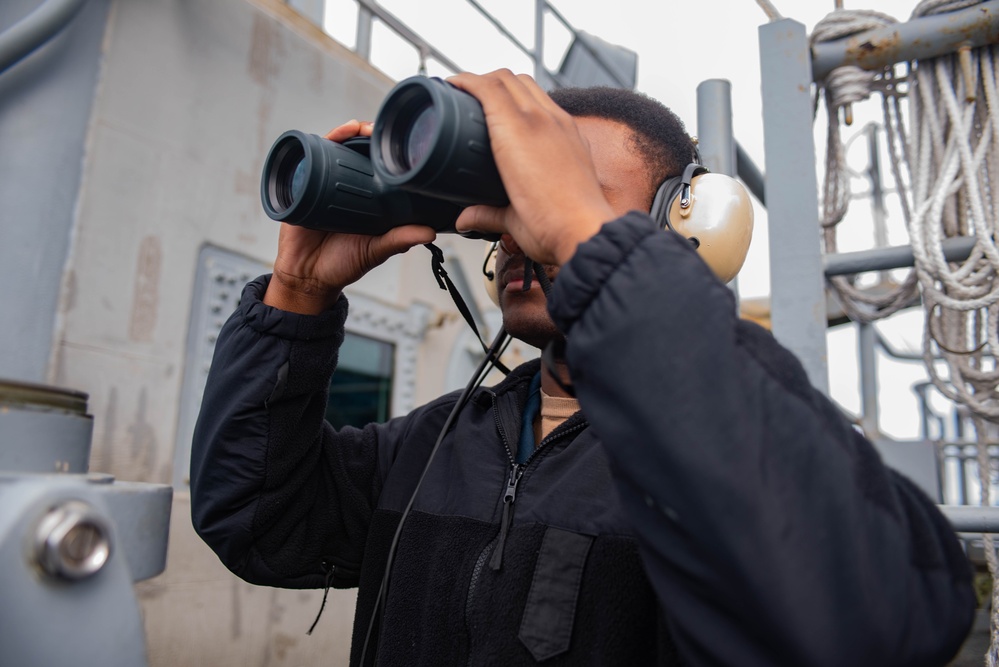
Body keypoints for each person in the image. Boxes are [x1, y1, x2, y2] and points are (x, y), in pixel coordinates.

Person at [191, 71, 975, 666]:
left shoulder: (730, 448)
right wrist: (294, 296)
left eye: (567, 194)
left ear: (681, 226)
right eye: (515, 196)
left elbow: (880, 616)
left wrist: (583, 239)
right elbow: (257, 523)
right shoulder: (433, 443)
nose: (530, 229)